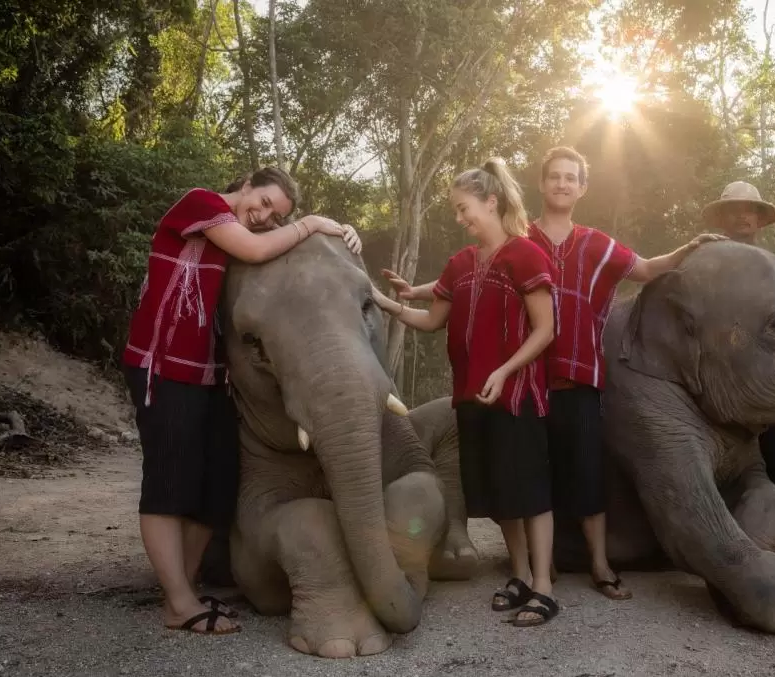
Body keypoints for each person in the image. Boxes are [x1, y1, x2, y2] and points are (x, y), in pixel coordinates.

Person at [382, 146, 722, 602]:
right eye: (554, 177)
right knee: (523, 477)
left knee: (583, 472)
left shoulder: (595, 245)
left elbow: (644, 269)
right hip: (521, 382)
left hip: (571, 376)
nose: (562, 184)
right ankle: (535, 570)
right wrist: (410, 293)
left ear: (582, 187)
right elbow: (462, 282)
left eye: (571, 178)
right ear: (541, 185)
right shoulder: (521, 239)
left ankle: (598, 564)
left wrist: (686, 250)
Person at [122, 166, 361, 636]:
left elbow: (277, 257)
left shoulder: (240, 232)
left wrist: (341, 236)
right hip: (164, 366)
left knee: (217, 484)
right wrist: (312, 222)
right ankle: (177, 602)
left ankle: (185, 588)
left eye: (275, 214)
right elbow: (255, 247)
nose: (263, 215)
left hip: (210, 376)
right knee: (170, 483)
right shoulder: (202, 203)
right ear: (249, 183)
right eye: (266, 202)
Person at [372, 157, 560, 628]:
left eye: (463, 208)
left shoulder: (526, 255)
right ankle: (518, 576)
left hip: (517, 395)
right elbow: (431, 320)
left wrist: (504, 370)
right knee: (501, 496)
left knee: (530, 493)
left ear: (491, 202)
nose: (459, 219)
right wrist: (385, 303)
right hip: (471, 399)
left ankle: (544, 588)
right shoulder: (459, 264)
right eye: (456, 211)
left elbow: (545, 330)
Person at [700, 180, 775, 509]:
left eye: (750, 210)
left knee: (772, 461)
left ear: (760, 220)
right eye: (734, 210)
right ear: (723, 218)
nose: (742, 216)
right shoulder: (705, 263)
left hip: (764, 381)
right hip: (718, 381)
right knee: (715, 462)